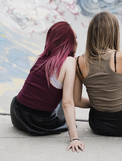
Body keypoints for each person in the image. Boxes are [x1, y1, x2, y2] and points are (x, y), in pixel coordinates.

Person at [10, 21, 84, 152]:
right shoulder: (69, 62)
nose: (77, 42)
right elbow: (67, 103)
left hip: (17, 112)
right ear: (69, 42)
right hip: (38, 122)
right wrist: (74, 138)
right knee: (64, 99)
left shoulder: (42, 59)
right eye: (75, 38)